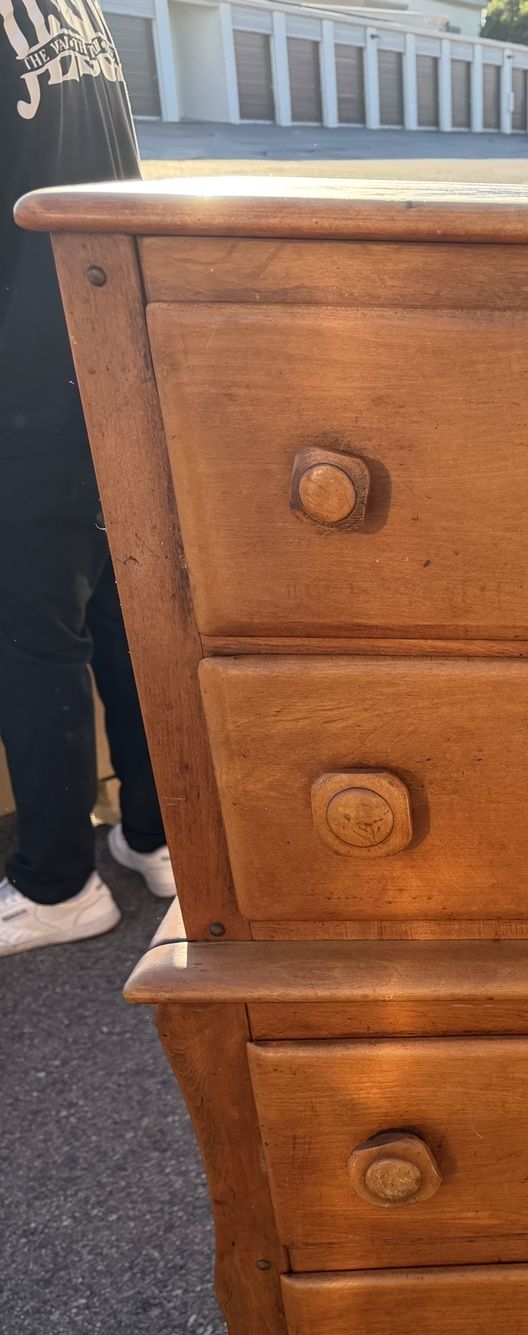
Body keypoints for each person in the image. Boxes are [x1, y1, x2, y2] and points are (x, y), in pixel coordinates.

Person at [1, 1, 174, 956]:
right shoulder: (75, 9)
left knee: (34, 643)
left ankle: (59, 884)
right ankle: (156, 837)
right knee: (120, 619)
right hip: (102, 354)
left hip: (25, 381)